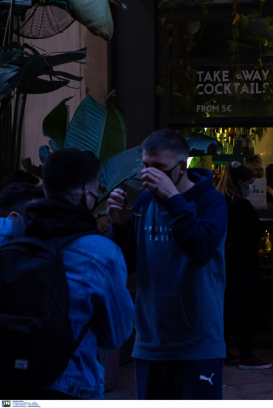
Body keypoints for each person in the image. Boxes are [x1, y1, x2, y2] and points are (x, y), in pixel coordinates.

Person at [0, 148, 134, 399]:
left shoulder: (8, 232)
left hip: (9, 383)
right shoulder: (103, 254)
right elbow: (116, 336)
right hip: (72, 387)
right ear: (86, 196)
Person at [107, 129, 227, 400]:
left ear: (182, 167)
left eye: (159, 169)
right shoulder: (144, 201)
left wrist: (174, 200)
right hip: (150, 340)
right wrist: (120, 227)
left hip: (198, 343)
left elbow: (201, 249)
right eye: (145, 167)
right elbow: (127, 265)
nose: (149, 175)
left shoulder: (211, 201)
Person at [216, 161, 272, 370]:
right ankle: (246, 354)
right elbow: (254, 232)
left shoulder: (220, 201)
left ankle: (224, 352)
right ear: (241, 183)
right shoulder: (242, 206)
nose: (250, 186)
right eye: (249, 182)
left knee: (228, 307)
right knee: (245, 308)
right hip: (244, 262)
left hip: (226, 262)